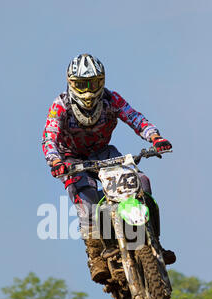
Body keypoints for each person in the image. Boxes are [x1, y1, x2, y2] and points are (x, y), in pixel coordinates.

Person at [42, 53, 176, 285]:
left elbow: (134, 117)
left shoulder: (110, 99)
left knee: (141, 182)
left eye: (93, 83)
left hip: (104, 152)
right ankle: (96, 256)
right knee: (85, 198)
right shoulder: (61, 105)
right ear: (71, 83)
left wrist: (155, 137)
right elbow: (49, 136)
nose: (88, 90)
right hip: (71, 159)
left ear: (102, 81)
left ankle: (153, 242)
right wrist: (54, 160)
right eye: (81, 84)